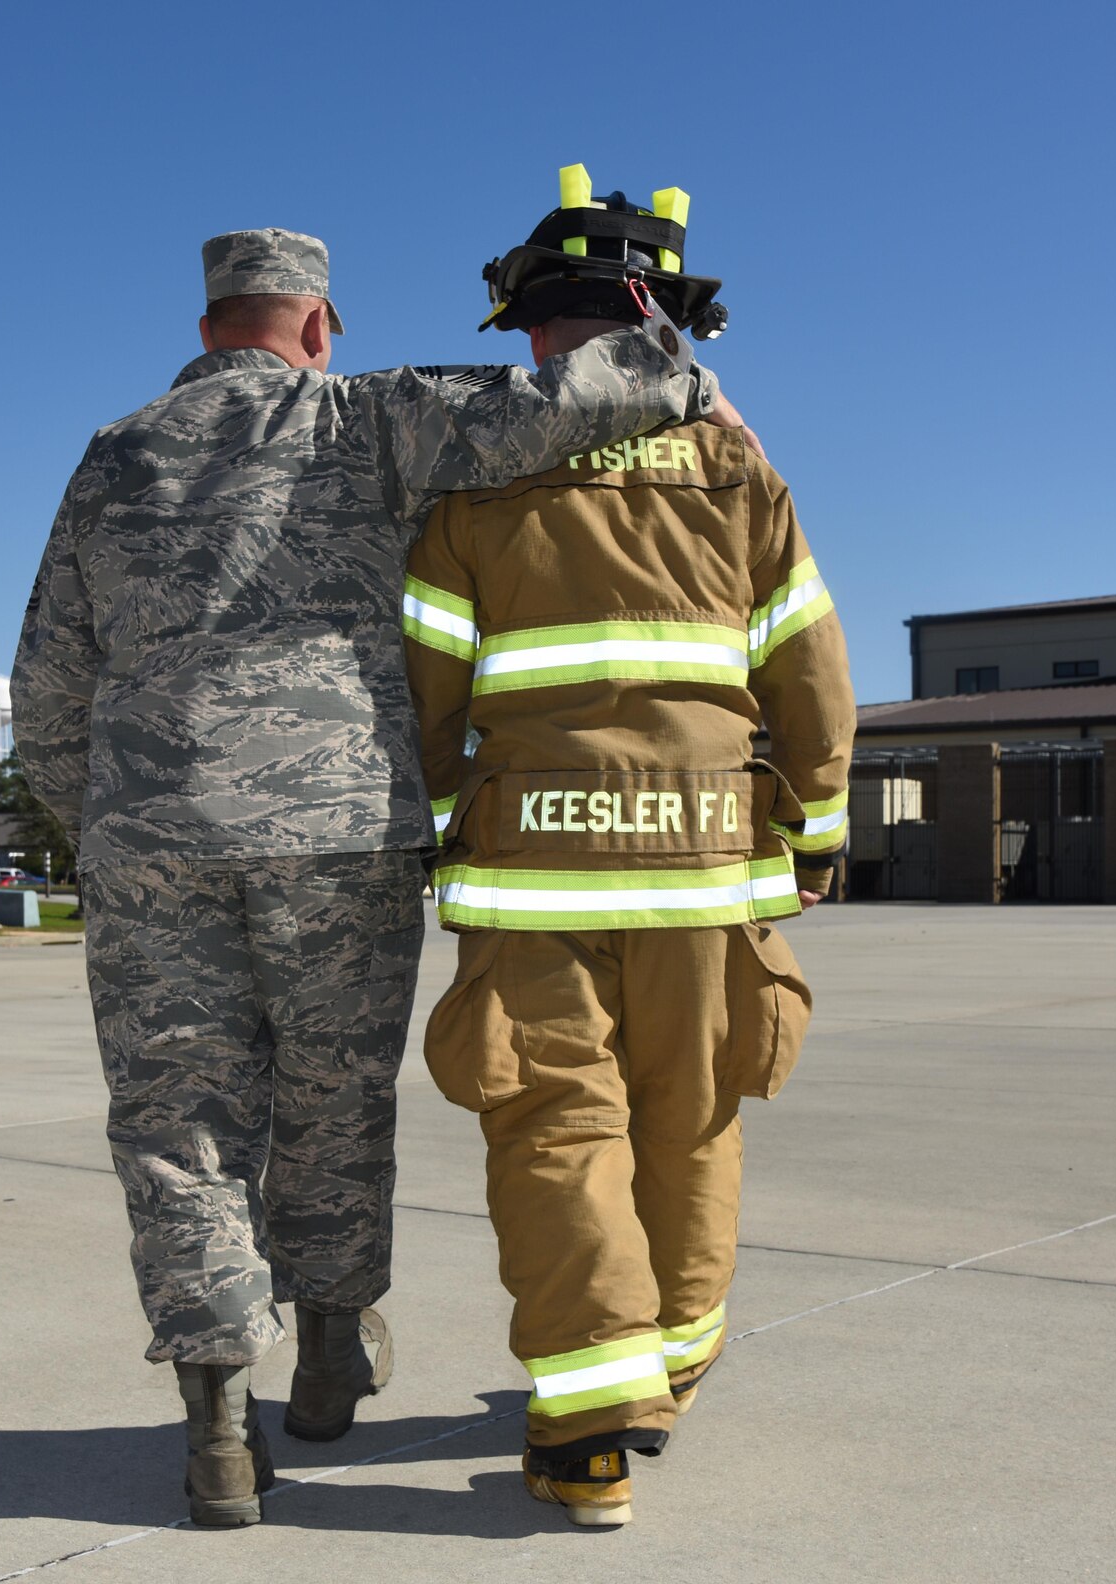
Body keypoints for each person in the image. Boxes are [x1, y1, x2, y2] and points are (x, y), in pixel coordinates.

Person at [13, 225, 740, 1528]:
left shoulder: (114, 457)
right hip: (341, 829)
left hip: (156, 838)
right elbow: (601, 395)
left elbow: (48, 681)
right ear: (318, 325)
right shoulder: (368, 418)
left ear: (206, 334)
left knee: (181, 1133)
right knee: (335, 1095)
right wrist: (659, 316)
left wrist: (103, 825)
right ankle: (337, 1349)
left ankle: (219, 1423)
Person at [403, 167, 856, 1527]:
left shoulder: (477, 482)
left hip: (536, 874)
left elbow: (426, 683)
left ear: (549, 325)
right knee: (692, 1112)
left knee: (557, 1126)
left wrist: (434, 831)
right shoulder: (741, 472)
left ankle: (590, 1424)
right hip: (710, 861)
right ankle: (668, 1361)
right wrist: (819, 833)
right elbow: (811, 665)